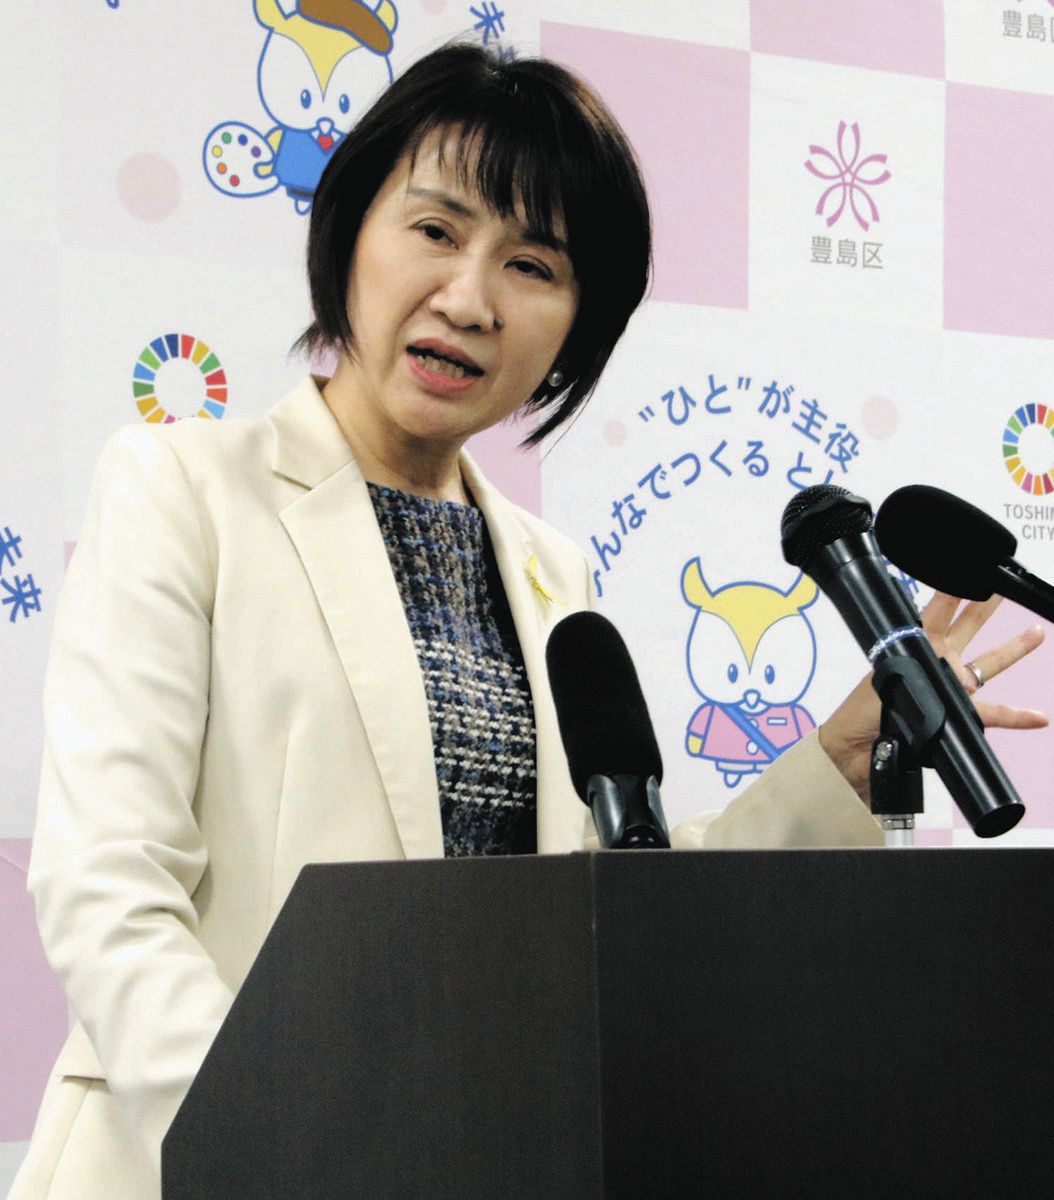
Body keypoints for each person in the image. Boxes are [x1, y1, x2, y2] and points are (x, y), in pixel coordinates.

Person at [11, 42, 1045, 1199]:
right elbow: (110, 887)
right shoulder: (183, 489)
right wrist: (287, 1137)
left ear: (575, 327)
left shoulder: (551, 572)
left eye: (532, 265)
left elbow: (606, 908)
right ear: (350, 233)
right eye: (435, 229)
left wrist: (834, 764)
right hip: (215, 1163)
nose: (469, 299)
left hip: (471, 1155)